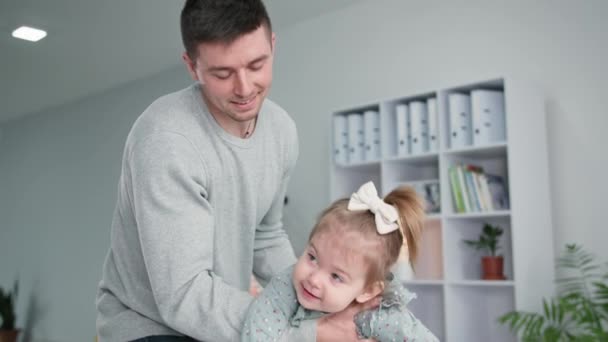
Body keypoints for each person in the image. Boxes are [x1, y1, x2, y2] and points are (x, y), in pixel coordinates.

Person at [96, 0, 375, 341]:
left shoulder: (281, 131)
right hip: (150, 327)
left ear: (273, 45)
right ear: (192, 66)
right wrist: (308, 332)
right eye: (222, 73)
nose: (244, 88)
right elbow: (183, 295)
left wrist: (321, 306)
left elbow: (266, 236)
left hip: (219, 318)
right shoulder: (166, 139)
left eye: (257, 65)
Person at [242, 181, 439, 342]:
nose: (314, 279)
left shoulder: (376, 314)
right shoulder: (286, 285)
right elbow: (256, 334)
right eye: (312, 257)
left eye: (336, 276)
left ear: (367, 291)